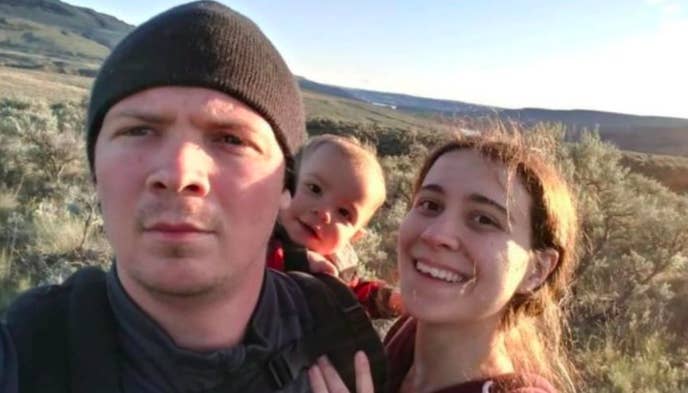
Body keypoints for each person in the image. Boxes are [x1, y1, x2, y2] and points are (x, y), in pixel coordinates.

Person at [0, 2, 384, 392]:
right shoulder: (23, 353)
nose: (180, 173)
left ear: (286, 185)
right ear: (95, 170)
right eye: (138, 131)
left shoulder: (340, 334)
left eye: (231, 139)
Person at [309, 135, 579, 393]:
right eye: (430, 204)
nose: (436, 235)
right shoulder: (406, 340)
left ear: (537, 270)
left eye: (484, 219)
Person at [269, 134, 403, 319]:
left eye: (343, 212)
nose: (324, 214)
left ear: (354, 237)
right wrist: (298, 260)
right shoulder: (256, 234)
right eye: (315, 189)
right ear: (287, 184)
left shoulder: (337, 267)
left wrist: (389, 300)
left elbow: (354, 295)